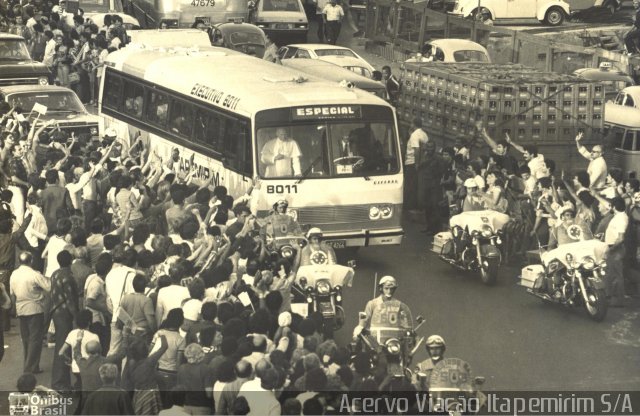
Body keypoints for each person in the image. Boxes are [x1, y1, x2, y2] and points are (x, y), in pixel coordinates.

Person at [10, 252, 50, 374]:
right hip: (35, 308)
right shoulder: (34, 274)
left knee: (26, 339)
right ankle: (30, 367)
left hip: (21, 308)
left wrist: (14, 309)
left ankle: (31, 365)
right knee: (35, 339)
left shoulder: (14, 274)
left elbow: (12, 293)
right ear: (31, 261)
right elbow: (49, 286)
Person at [417, 141, 447, 235]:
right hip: (426, 185)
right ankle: (429, 227)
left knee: (435, 208)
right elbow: (419, 168)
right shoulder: (425, 157)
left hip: (435, 187)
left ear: (434, 148)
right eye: (428, 147)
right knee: (427, 208)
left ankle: (435, 229)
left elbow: (442, 171)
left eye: (431, 147)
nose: (429, 149)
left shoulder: (438, 158)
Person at [605, 197, 629, 307]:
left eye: (611, 206)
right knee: (612, 274)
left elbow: (620, 238)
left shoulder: (621, 218)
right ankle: (611, 297)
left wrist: (611, 249)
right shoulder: (619, 216)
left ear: (614, 207)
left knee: (617, 275)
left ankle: (619, 301)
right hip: (614, 249)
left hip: (616, 249)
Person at [404, 118, 429, 213]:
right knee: (417, 184)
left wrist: (416, 164)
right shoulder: (424, 134)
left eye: (411, 123)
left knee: (410, 185)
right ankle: (416, 205)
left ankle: (410, 206)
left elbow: (417, 150)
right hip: (421, 162)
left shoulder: (415, 135)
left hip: (412, 163)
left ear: (413, 124)